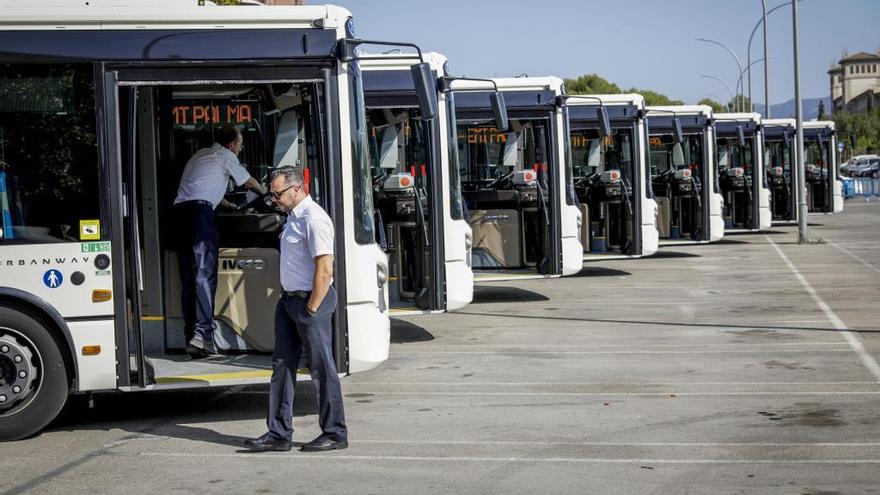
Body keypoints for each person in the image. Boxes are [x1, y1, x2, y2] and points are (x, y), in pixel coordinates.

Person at [244, 166, 347, 453]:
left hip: (309, 302)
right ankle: (278, 433)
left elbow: (325, 270)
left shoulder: (315, 219)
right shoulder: (292, 218)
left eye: (277, 193)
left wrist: (311, 308)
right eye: (272, 194)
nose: (273, 199)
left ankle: (335, 432)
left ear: (297, 189)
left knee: (321, 368)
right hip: (289, 301)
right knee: (281, 366)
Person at [173, 125, 265, 357]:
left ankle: (189, 336)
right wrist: (268, 193)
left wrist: (230, 206)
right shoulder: (225, 156)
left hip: (180, 216)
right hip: (200, 217)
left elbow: (204, 189)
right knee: (205, 274)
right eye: (241, 144)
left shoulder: (201, 155)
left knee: (188, 278)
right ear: (232, 145)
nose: (241, 148)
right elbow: (250, 182)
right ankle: (203, 334)